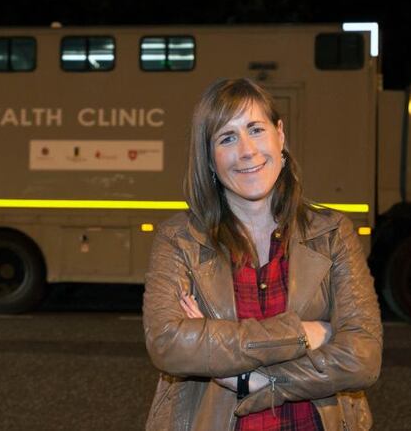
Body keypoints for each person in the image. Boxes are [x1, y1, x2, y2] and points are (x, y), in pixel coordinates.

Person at [142, 78, 382, 431]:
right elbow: (168, 344)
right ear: (209, 157)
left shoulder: (331, 234)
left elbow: (363, 358)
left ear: (280, 136)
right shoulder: (180, 240)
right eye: (227, 138)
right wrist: (301, 334)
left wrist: (251, 378)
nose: (247, 151)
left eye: (255, 129)